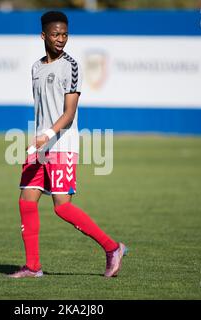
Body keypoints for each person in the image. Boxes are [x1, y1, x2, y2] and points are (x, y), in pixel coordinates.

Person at [8, 11, 126, 278]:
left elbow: (69, 113)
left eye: (64, 34)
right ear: (43, 36)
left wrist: (47, 135)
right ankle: (33, 267)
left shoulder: (71, 67)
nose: (61, 39)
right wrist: (38, 140)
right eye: (55, 34)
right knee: (26, 201)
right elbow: (43, 109)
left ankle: (112, 248)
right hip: (40, 144)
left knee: (62, 206)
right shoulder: (36, 68)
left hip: (61, 144)